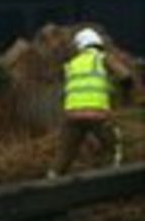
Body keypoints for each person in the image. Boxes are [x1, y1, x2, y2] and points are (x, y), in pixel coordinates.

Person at [48, 27, 134, 178]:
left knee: (64, 154)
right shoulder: (102, 57)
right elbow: (126, 77)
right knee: (114, 146)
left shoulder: (71, 64)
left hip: (72, 116)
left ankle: (50, 182)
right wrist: (125, 96)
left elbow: (66, 91)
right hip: (97, 115)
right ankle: (113, 180)